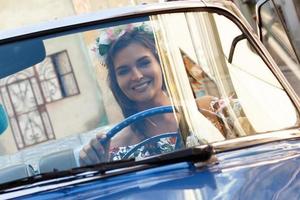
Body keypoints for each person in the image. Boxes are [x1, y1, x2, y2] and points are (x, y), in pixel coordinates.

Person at [79, 28, 179, 166]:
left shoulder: (206, 111)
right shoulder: (113, 150)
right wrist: (97, 166)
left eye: (144, 63)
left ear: (160, 63)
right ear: (116, 81)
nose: (137, 76)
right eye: (124, 71)